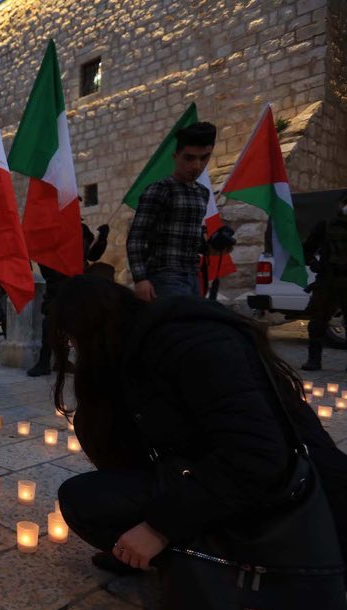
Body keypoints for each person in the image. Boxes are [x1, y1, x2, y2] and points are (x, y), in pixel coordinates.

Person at [50, 275, 347, 571]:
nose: (74, 349)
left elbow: (259, 456)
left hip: (296, 506)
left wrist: (159, 527)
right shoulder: (139, 344)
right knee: (91, 492)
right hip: (226, 478)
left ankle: (217, 565)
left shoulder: (192, 344)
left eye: (72, 340)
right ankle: (186, 554)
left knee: (84, 504)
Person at [127, 122, 217, 302]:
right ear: (176, 157)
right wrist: (140, 279)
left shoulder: (202, 192)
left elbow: (191, 240)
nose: (196, 166)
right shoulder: (160, 189)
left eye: (203, 158)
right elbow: (136, 238)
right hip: (164, 276)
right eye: (189, 158)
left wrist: (214, 246)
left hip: (193, 276)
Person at [27, 221, 110, 377]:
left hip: (78, 283)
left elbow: (92, 255)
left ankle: (66, 361)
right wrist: (60, 270)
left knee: (78, 324)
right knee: (50, 322)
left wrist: (102, 238)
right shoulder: (51, 228)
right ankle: (44, 361)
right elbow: (43, 257)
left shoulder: (81, 229)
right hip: (57, 283)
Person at [301, 192, 347, 371]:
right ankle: (314, 360)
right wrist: (315, 265)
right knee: (317, 322)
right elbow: (307, 250)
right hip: (327, 281)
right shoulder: (325, 226)